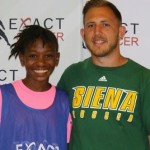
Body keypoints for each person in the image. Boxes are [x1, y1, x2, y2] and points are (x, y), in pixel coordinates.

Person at [57, 0, 150, 150]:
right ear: (83, 33)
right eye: (91, 25)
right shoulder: (71, 75)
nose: (97, 32)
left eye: (105, 24)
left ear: (121, 31)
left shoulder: (144, 79)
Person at [0, 25, 71, 150]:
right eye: (33, 56)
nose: (40, 62)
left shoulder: (64, 101)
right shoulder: (3, 96)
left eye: (48, 56)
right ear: (23, 58)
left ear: (57, 58)